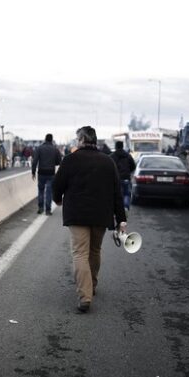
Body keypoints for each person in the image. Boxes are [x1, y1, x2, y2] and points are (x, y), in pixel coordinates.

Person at [53, 126, 127, 313]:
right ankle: (91, 285)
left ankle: (85, 296)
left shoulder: (70, 160)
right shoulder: (107, 162)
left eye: (77, 139)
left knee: (79, 254)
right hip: (101, 215)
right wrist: (121, 219)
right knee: (95, 250)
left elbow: (57, 185)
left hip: (77, 214)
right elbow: (117, 192)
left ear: (82, 140)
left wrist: (57, 199)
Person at [32, 133, 62, 215]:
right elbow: (59, 161)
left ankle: (40, 208)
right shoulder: (55, 149)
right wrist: (53, 163)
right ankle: (48, 210)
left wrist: (33, 172)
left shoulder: (39, 148)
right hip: (51, 173)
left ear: (45, 139)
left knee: (41, 190)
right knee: (49, 192)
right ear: (52, 140)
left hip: (41, 172)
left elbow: (34, 161)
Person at [110, 140, 136, 211]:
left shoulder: (112, 156)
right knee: (126, 194)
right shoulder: (128, 155)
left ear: (115, 146)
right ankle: (125, 207)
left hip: (115, 179)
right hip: (126, 178)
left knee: (115, 195)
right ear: (122, 146)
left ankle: (116, 210)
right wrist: (128, 172)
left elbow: (109, 167)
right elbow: (133, 166)